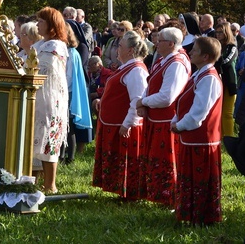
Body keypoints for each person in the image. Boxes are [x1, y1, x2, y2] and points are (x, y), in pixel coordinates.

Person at [135, 27, 190, 206]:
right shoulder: (164, 60)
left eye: (160, 40)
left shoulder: (176, 63)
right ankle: (158, 195)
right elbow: (151, 83)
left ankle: (169, 196)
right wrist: (144, 100)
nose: (156, 43)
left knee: (166, 160)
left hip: (167, 120)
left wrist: (144, 101)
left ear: (171, 44)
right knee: (157, 158)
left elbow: (167, 97)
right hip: (157, 119)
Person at [171, 37, 223, 225]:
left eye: (195, 50)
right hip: (191, 137)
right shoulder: (199, 74)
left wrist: (180, 125)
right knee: (190, 177)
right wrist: (176, 119)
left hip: (202, 139)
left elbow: (199, 111)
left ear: (206, 56)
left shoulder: (209, 78)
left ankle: (202, 215)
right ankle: (190, 212)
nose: (191, 52)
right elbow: (185, 101)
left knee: (200, 178)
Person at [92, 30, 149, 200]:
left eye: (121, 46)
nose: (117, 49)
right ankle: (120, 190)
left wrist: (128, 123)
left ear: (130, 50)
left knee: (127, 160)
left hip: (124, 126)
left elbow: (137, 100)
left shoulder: (137, 71)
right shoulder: (126, 68)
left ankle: (129, 193)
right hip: (114, 123)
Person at [33, 6, 68, 194]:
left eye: (41, 21)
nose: (37, 24)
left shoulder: (55, 46)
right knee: (34, 140)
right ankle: (32, 180)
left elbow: (45, 71)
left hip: (49, 98)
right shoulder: (39, 45)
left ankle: (50, 185)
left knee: (48, 141)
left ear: (51, 25)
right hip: (35, 97)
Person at [63, 24, 92, 162]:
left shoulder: (72, 53)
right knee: (63, 125)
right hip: (65, 92)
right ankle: (62, 155)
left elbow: (68, 77)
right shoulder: (66, 51)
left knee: (69, 126)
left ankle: (70, 157)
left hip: (68, 92)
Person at [214, 21, 238, 138]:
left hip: (229, 83)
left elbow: (226, 62)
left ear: (226, 33)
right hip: (218, 82)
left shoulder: (232, 47)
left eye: (220, 32)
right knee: (218, 112)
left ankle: (230, 138)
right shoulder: (216, 45)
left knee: (227, 113)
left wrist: (215, 60)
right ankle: (221, 136)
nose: (218, 35)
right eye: (216, 32)